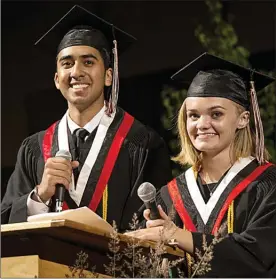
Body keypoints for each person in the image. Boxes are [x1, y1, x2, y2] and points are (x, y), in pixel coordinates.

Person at [1, 5, 172, 231]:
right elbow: (5, 220)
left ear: (109, 76)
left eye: (88, 62)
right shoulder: (33, 148)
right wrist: (40, 196)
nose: (76, 72)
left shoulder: (142, 144)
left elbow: (154, 225)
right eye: (67, 63)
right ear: (56, 78)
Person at [126, 53, 276, 277]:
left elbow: (255, 256)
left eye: (216, 114)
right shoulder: (168, 196)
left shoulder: (268, 186)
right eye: (193, 116)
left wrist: (177, 235)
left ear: (243, 119)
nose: (203, 124)